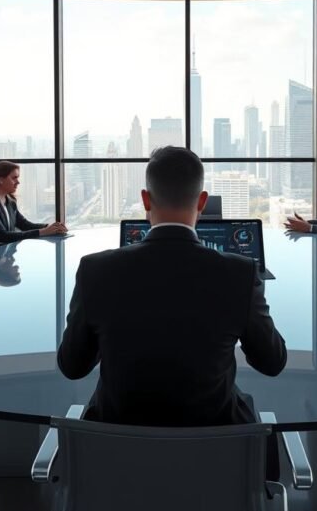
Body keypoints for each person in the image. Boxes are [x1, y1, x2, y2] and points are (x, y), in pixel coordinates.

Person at [57, 147, 287, 474]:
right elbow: (272, 362)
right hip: (219, 460)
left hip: (115, 460)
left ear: (145, 200)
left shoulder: (96, 270)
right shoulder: (240, 273)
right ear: (203, 201)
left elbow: (72, 366)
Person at [0, 161, 67, 243]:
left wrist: (50, 227)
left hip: (7, 253)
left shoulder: (10, 201)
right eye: (14, 178)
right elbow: (3, 236)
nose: (18, 182)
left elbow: (24, 225)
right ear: (1, 180)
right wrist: (43, 232)